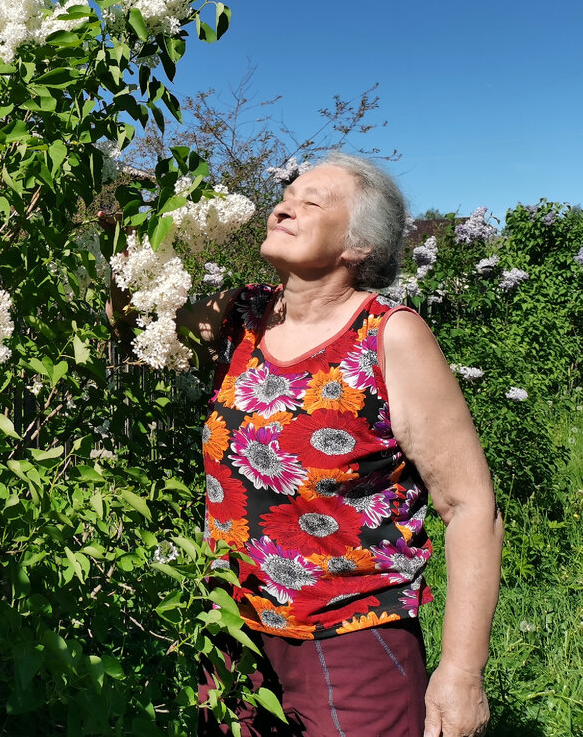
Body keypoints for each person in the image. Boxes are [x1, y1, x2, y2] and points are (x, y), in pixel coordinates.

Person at [109, 154, 502, 737]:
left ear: (358, 244)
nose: (284, 205)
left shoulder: (389, 335)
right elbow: (131, 318)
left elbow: (470, 507)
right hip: (230, 630)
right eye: (286, 194)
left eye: (312, 200)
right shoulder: (241, 314)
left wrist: (462, 671)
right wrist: (133, 227)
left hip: (352, 637)